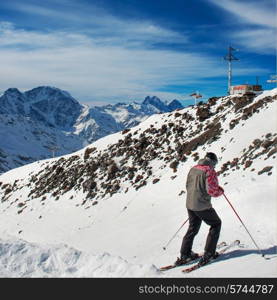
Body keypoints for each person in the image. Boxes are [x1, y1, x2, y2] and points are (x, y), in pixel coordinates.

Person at [175, 152, 224, 266]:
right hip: (201, 205)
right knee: (216, 224)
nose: (215, 166)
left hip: (190, 204)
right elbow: (212, 190)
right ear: (212, 161)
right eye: (215, 163)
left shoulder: (193, 168)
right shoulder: (209, 171)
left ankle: (185, 254)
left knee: (193, 228)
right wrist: (220, 191)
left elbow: (188, 185)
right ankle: (209, 253)